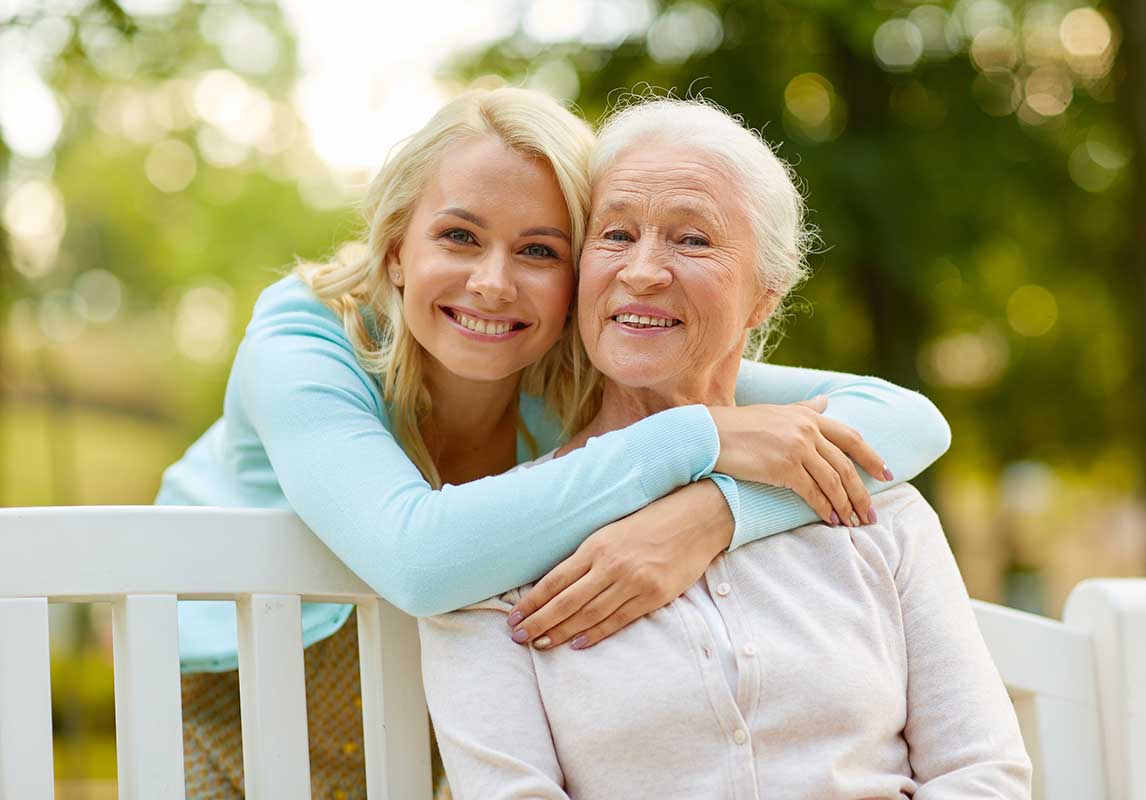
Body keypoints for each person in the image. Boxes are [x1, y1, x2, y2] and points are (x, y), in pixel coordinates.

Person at [157, 88, 952, 798]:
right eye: (460, 237)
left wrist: (715, 512)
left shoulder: (565, 358)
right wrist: (701, 436)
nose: (494, 284)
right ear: (395, 248)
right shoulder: (303, 337)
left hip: (418, 723)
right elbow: (421, 559)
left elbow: (905, 419)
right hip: (230, 697)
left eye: (540, 251)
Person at [418, 97, 1031, 799]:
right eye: (615, 235)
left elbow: (983, 775)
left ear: (766, 293)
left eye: (692, 240)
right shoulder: (497, 546)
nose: (643, 271)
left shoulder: (880, 510)